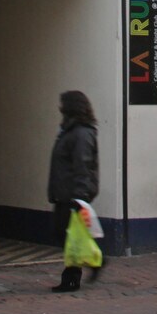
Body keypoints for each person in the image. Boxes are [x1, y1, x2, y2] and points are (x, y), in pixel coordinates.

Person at [46, 90, 101, 293]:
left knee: (68, 235)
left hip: (73, 194)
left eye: (63, 104)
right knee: (68, 235)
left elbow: (83, 165)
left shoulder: (81, 133)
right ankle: (79, 272)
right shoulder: (69, 130)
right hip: (64, 192)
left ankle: (84, 269)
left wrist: (81, 196)